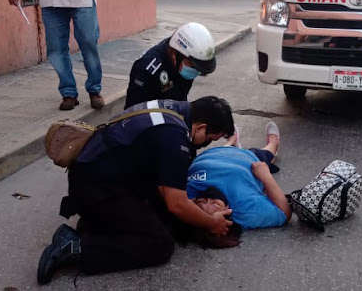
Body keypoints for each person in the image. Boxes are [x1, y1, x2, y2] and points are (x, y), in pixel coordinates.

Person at [36, 96, 236, 284]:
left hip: (95, 180)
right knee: (159, 244)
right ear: (201, 127)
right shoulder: (175, 138)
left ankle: (97, 225)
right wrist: (212, 222)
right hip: (98, 190)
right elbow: (177, 204)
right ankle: (74, 246)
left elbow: (165, 189)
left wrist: (193, 210)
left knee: (159, 215)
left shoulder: (173, 110)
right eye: (209, 138)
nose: (206, 144)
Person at [187, 121, 292, 231]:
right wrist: (266, 177)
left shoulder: (188, 198)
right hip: (248, 161)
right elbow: (284, 213)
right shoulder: (245, 210)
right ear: (228, 213)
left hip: (213, 153)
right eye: (215, 204)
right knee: (267, 154)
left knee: (228, 148)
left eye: (201, 202)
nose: (208, 202)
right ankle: (273, 143)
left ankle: (231, 143)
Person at [124, 22, 216, 109]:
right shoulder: (145, 70)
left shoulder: (181, 59)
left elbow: (180, 98)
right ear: (174, 54)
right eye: (193, 66)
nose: (195, 72)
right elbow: (133, 114)